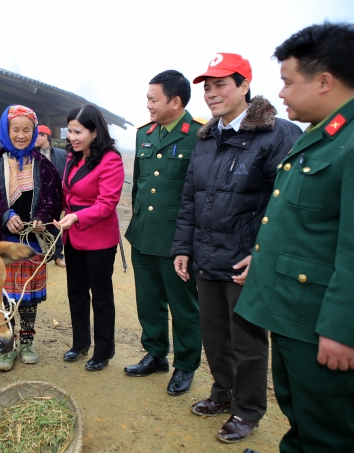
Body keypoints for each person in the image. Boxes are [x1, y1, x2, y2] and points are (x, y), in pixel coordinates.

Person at [235, 22, 354, 452]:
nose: (280, 93)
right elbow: (303, 224)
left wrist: (343, 329)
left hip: (321, 323)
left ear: (324, 81)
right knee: (300, 413)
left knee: (327, 428)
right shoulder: (322, 136)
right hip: (293, 313)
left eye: (287, 82)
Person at [171, 54, 302, 443]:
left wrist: (263, 252)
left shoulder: (277, 135)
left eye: (221, 85)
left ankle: (247, 410)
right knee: (213, 332)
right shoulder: (206, 139)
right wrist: (183, 246)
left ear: (245, 85)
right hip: (207, 255)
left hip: (246, 258)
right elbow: (190, 198)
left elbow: (287, 202)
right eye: (207, 88)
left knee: (246, 338)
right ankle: (222, 392)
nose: (211, 94)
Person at [123, 70, 205, 396]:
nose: (148, 105)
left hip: (176, 240)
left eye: (153, 99)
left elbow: (200, 193)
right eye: (147, 98)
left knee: (183, 307)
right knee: (148, 302)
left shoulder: (198, 135)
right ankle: (156, 354)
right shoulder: (144, 134)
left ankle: (186, 364)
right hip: (143, 234)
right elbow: (140, 186)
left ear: (175, 101)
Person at [0, 105, 62, 372]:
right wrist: (3, 215)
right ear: (6, 130)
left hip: (31, 243)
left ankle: (27, 342)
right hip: (1, 241)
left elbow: (53, 199)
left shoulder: (44, 166)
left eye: (27, 130)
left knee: (28, 297)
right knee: (5, 297)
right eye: (16, 130)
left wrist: (41, 218)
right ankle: (8, 345)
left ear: (35, 131)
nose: (21, 135)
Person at [54, 104, 124, 372]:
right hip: (73, 237)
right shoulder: (73, 157)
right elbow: (66, 193)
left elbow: (107, 203)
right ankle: (80, 343)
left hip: (98, 238)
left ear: (95, 132)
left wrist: (77, 217)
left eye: (78, 131)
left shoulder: (110, 159)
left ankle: (103, 351)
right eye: (69, 130)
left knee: (101, 297)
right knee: (76, 293)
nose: (72, 136)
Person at [35, 124, 67, 268]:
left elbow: (68, 172)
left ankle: (58, 255)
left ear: (45, 136)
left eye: (37, 135)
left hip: (54, 195)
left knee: (54, 224)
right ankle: (41, 253)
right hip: (36, 194)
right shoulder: (31, 154)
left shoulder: (61, 154)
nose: (34, 138)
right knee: (36, 224)